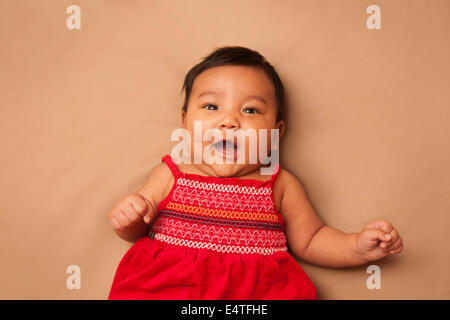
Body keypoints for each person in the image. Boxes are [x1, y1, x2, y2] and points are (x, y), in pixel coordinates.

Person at [108, 46, 404, 300]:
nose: (229, 122)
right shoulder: (171, 173)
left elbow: (312, 239)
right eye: (211, 106)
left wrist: (356, 247)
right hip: (170, 289)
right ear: (185, 122)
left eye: (250, 111)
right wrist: (129, 217)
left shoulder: (279, 184)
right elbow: (136, 230)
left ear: (276, 133)